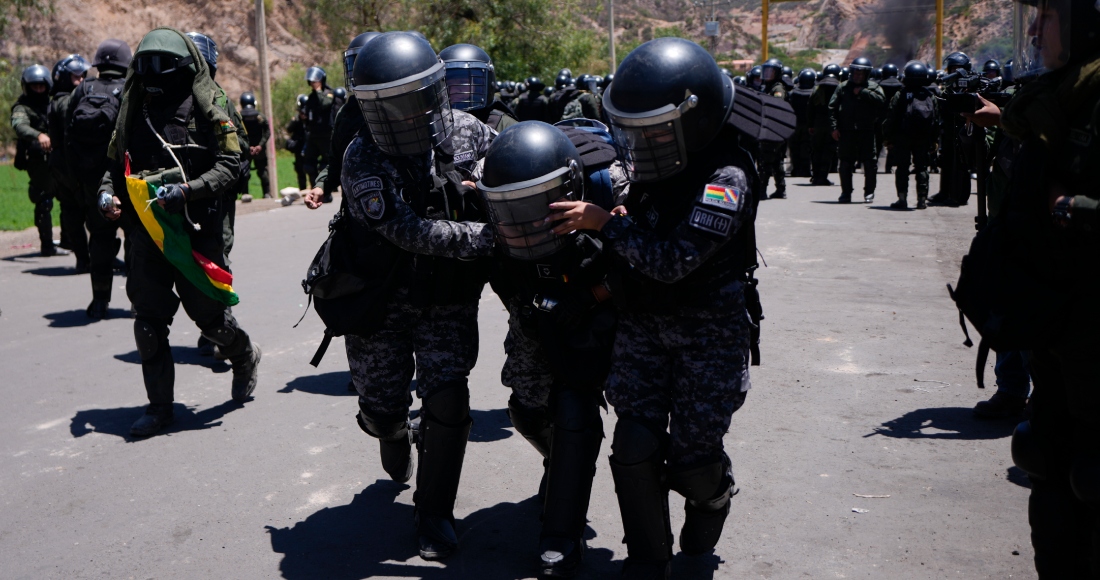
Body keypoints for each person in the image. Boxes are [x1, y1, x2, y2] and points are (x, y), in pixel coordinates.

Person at [546, 37, 779, 578]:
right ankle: (647, 561)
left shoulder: (727, 178)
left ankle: (713, 497)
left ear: (690, 122)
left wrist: (607, 224)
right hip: (644, 327)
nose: (639, 142)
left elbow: (673, 261)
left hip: (708, 336)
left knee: (693, 462)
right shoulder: (654, 166)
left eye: (652, 129)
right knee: (634, 444)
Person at [341, 31, 497, 561]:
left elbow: (513, 174)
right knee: (382, 409)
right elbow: (407, 230)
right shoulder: (361, 156)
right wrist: (482, 239)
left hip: (445, 299)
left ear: (434, 91)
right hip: (380, 300)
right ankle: (391, 431)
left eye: (411, 100)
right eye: (386, 106)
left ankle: (434, 514)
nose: (402, 116)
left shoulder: (473, 134)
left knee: (448, 400)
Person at [95, 28, 261, 437]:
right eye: (145, 65)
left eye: (161, 67)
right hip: (148, 232)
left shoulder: (210, 104)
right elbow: (116, 164)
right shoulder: (134, 106)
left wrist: (187, 190)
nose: (152, 75)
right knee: (149, 322)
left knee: (211, 320)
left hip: (196, 230)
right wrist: (105, 194)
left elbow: (229, 165)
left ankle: (244, 356)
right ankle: (159, 409)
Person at [479, 121, 625, 577]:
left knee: (578, 409)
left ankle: (561, 537)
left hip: (603, 307)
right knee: (525, 409)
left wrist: (593, 296)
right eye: (510, 208)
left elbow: (649, 263)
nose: (521, 219)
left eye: (535, 204)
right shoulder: (490, 197)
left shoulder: (613, 187)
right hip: (536, 311)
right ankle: (558, 458)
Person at [993, 0, 1100, 574]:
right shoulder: (1057, 97)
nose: (1034, 28)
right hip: (1057, 319)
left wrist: (1071, 208)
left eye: (1050, 16)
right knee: (1045, 456)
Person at [66, 38, 132, 319]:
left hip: (93, 181)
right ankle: (138, 303)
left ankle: (99, 300)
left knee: (101, 241)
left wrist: (77, 177)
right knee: (135, 241)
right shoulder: (129, 90)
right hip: (124, 179)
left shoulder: (83, 89)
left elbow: (67, 134)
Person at [303, 31, 381, 208]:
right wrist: (322, 186)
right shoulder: (348, 113)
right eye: (356, 65)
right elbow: (337, 162)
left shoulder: (403, 108)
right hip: (355, 208)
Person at [11, 64, 64, 257]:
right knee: (44, 202)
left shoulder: (52, 103)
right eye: (35, 87)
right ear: (27, 87)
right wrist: (39, 135)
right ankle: (47, 245)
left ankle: (69, 241)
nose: (39, 90)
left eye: (42, 86)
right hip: (38, 161)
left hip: (59, 159)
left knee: (70, 198)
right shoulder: (22, 107)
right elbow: (19, 126)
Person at [48, 54, 91, 271]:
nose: (82, 79)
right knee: (85, 211)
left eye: (83, 75)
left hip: (63, 165)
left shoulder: (57, 100)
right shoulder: (66, 102)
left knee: (72, 212)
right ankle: (92, 257)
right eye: (76, 76)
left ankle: (84, 258)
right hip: (72, 165)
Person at [828, 56, 885, 203]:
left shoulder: (874, 88)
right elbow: (832, 108)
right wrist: (834, 128)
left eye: (861, 74)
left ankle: (869, 192)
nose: (857, 76)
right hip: (846, 132)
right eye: (855, 73)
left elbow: (882, 103)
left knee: (870, 164)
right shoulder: (843, 87)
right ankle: (846, 193)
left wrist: (863, 92)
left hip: (866, 131)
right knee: (845, 163)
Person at [883, 61, 938, 210]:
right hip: (923, 138)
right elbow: (935, 120)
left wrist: (888, 137)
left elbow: (892, 117)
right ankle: (922, 200)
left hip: (903, 137)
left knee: (902, 168)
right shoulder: (929, 95)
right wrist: (934, 140)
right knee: (922, 168)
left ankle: (902, 199)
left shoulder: (900, 95)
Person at [439, 44, 518, 134]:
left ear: (477, 86)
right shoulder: (434, 123)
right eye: (450, 83)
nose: (455, 89)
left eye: (462, 82)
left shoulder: (505, 126)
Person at [928, 51, 974, 207]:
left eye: (958, 69)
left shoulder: (971, 86)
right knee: (946, 161)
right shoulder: (949, 88)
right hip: (948, 129)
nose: (955, 72)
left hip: (963, 130)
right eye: (952, 69)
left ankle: (959, 196)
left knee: (960, 164)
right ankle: (944, 192)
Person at [301, 66, 334, 188]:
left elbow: (326, 104)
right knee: (308, 165)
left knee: (326, 164)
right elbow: (308, 111)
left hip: (326, 134)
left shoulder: (328, 93)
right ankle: (315, 188)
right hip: (313, 134)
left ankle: (327, 189)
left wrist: (319, 91)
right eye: (312, 81)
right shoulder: (311, 96)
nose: (313, 84)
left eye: (316, 81)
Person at [760, 58, 788, 199]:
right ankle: (780, 189)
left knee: (766, 161)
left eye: (771, 72)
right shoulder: (768, 87)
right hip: (773, 128)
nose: (767, 74)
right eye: (766, 71)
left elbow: (777, 106)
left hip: (773, 129)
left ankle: (762, 190)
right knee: (776, 160)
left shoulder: (777, 88)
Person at [808, 64, 841, 185]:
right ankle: (822, 176)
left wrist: (810, 124)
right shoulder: (839, 88)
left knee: (816, 151)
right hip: (832, 125)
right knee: (828, 151)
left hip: (817, 124)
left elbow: (810, 108)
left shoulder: (817, 89)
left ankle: (815, 176)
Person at [239, 92, 270, 199]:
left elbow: (237, 133)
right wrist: (260, 146)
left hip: (246, 150)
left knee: (244, 171)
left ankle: (245, 194)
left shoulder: (239, 117)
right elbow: (267, 132)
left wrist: (248, 147)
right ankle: (267, 194)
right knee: (262, 171)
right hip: (258, 150)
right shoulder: (260, 117)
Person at [787, 68, 816, 178]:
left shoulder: (793, 93)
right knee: (806, 148)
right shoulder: (813, 93)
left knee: (794, 149)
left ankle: (796, 169)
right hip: (808, 125)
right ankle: (805, 170)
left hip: (794, 124)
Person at [877, 63, 904, 172]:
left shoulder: (879, 85)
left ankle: (873, 166)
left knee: (877, 143)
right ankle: (889, 167)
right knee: (893, 144)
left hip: (880, 118)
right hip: (895, 119)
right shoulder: (901, 86)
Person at [285, 95, 309, 191]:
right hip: (299, 147)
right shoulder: (296, 119)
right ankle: (302, 189)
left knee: (312, 168)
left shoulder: (312, 117)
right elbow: (288, 129)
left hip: (311, 146)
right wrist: (296, 120)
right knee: (300, 170)